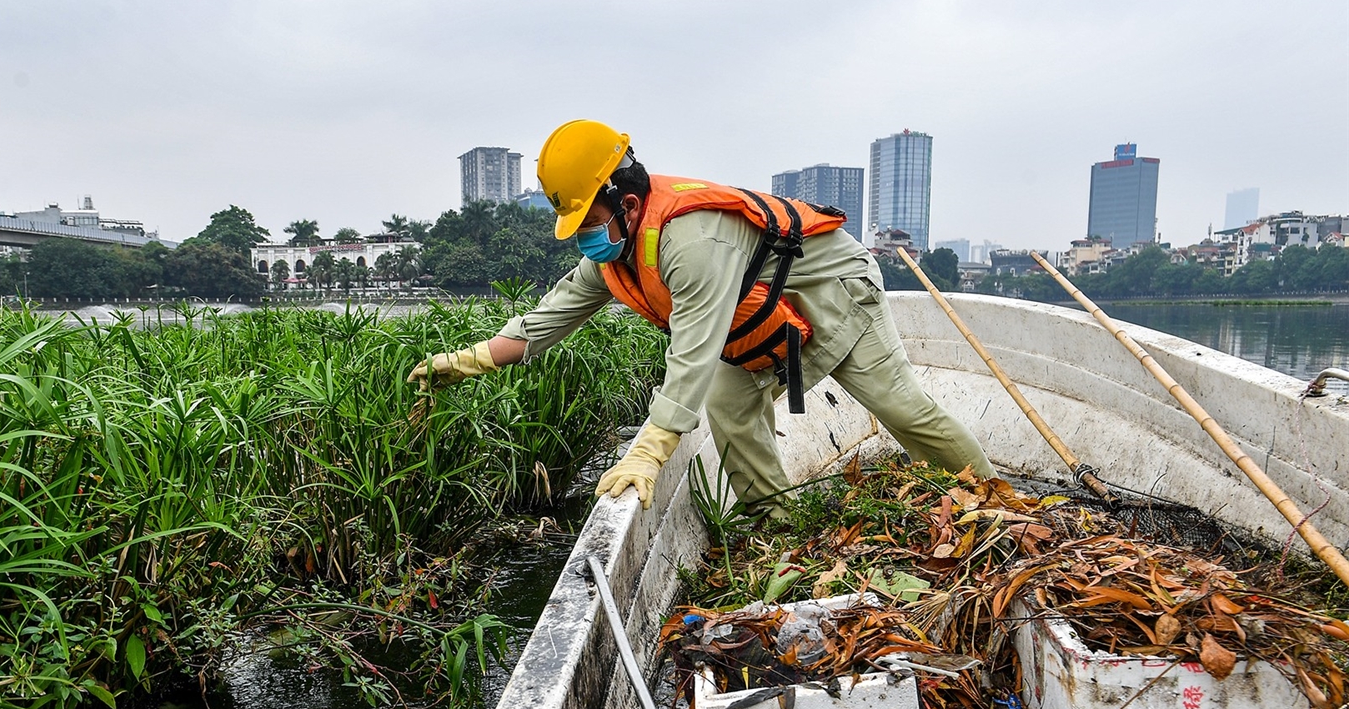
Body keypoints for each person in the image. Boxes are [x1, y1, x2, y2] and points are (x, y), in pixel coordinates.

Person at [408, 120, 994, 513]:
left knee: (899, 407)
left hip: (836, 290)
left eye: (589, 221)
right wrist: (469, 361)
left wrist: (649, 449)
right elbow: (547, 319)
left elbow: (693, 349)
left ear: (629, 204)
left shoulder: (690, 241)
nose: (584, 237)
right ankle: (774, 524)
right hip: (765, 309)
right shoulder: (617, 254)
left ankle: (996, 502)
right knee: (729, 404)